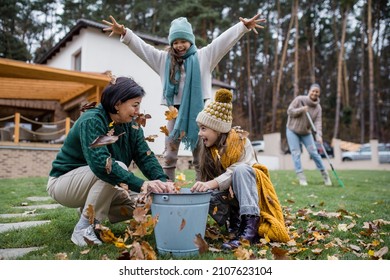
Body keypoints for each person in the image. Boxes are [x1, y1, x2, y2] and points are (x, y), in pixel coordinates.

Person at [102, 14, 266, 181]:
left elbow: (222, 43)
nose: (179, 45)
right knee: (169, 156)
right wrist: (125, 32)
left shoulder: (204, 57)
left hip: (199, 114)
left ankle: (201, 189)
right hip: (174, 113)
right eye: (175, 42)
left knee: (200, 157)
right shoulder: (163, 60)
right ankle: (168, 187)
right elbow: (143, 49)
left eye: (183, 41)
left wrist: (242, 27)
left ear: (191, 41)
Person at [47, 76, 175, 246]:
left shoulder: (131, 126)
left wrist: (163, 182)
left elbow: (145, 156)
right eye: (135, 105)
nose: (138, 111)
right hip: (63, 184)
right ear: (117, 104)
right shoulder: (93, 120)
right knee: (113, 166)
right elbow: (101, 165)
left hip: (94, 183)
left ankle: (87, 211)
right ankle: (84, 229)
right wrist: (143, 184)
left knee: (146, 202)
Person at [190, 88, 290, 250]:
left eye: (203, 128)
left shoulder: (241, 143)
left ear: (217, 129)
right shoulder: (206, 150)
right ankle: (234, 221)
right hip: (229, 197)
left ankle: (249, 229)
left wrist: (211, 184)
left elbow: (237, 172)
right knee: (204, 187)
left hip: (250, 194)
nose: (200, 134)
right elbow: (202, 179)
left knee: (241, 171)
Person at [286, 83, 332, 186]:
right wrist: (301, 110)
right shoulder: (300, 100)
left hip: (306, 133)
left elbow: (318, 122)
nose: (315, 93)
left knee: (314, 153)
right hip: (292, 130)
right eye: (313, 91)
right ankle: (301, 177)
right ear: (309, 91)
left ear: (319, 94)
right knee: (296, 153)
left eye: (317, 92)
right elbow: (290, 111)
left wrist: (318, 134)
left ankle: (325, 175)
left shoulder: (318, 108)